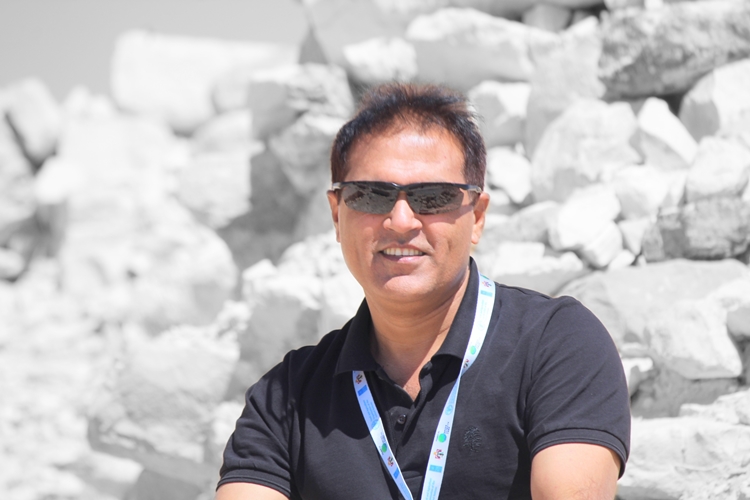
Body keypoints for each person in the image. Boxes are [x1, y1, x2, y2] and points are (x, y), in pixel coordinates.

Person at [216, 83, 630, 500]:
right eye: (371, 195)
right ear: (337, 215)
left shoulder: (557, 345)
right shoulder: (286, 395)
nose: (401, 221)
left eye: (433, 197)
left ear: (477, 217)